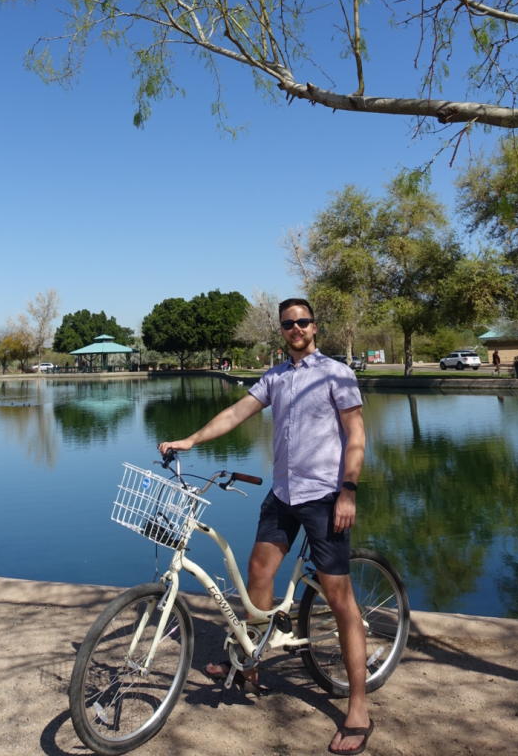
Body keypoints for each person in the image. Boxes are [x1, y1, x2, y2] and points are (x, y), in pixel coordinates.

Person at [158, 298, 372, 756]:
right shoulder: (276, 377)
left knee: (340, 601)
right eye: (288, 324)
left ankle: (358, 706)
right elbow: (237, 413)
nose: (296, 328)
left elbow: (356, 434)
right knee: (258, 572)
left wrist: (349, 489)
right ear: (282, 330)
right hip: (283, 494)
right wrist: (190, 439)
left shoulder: (336, 373)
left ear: (316, 326)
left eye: (302, 322)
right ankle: (251, 663)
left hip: (324, 496)